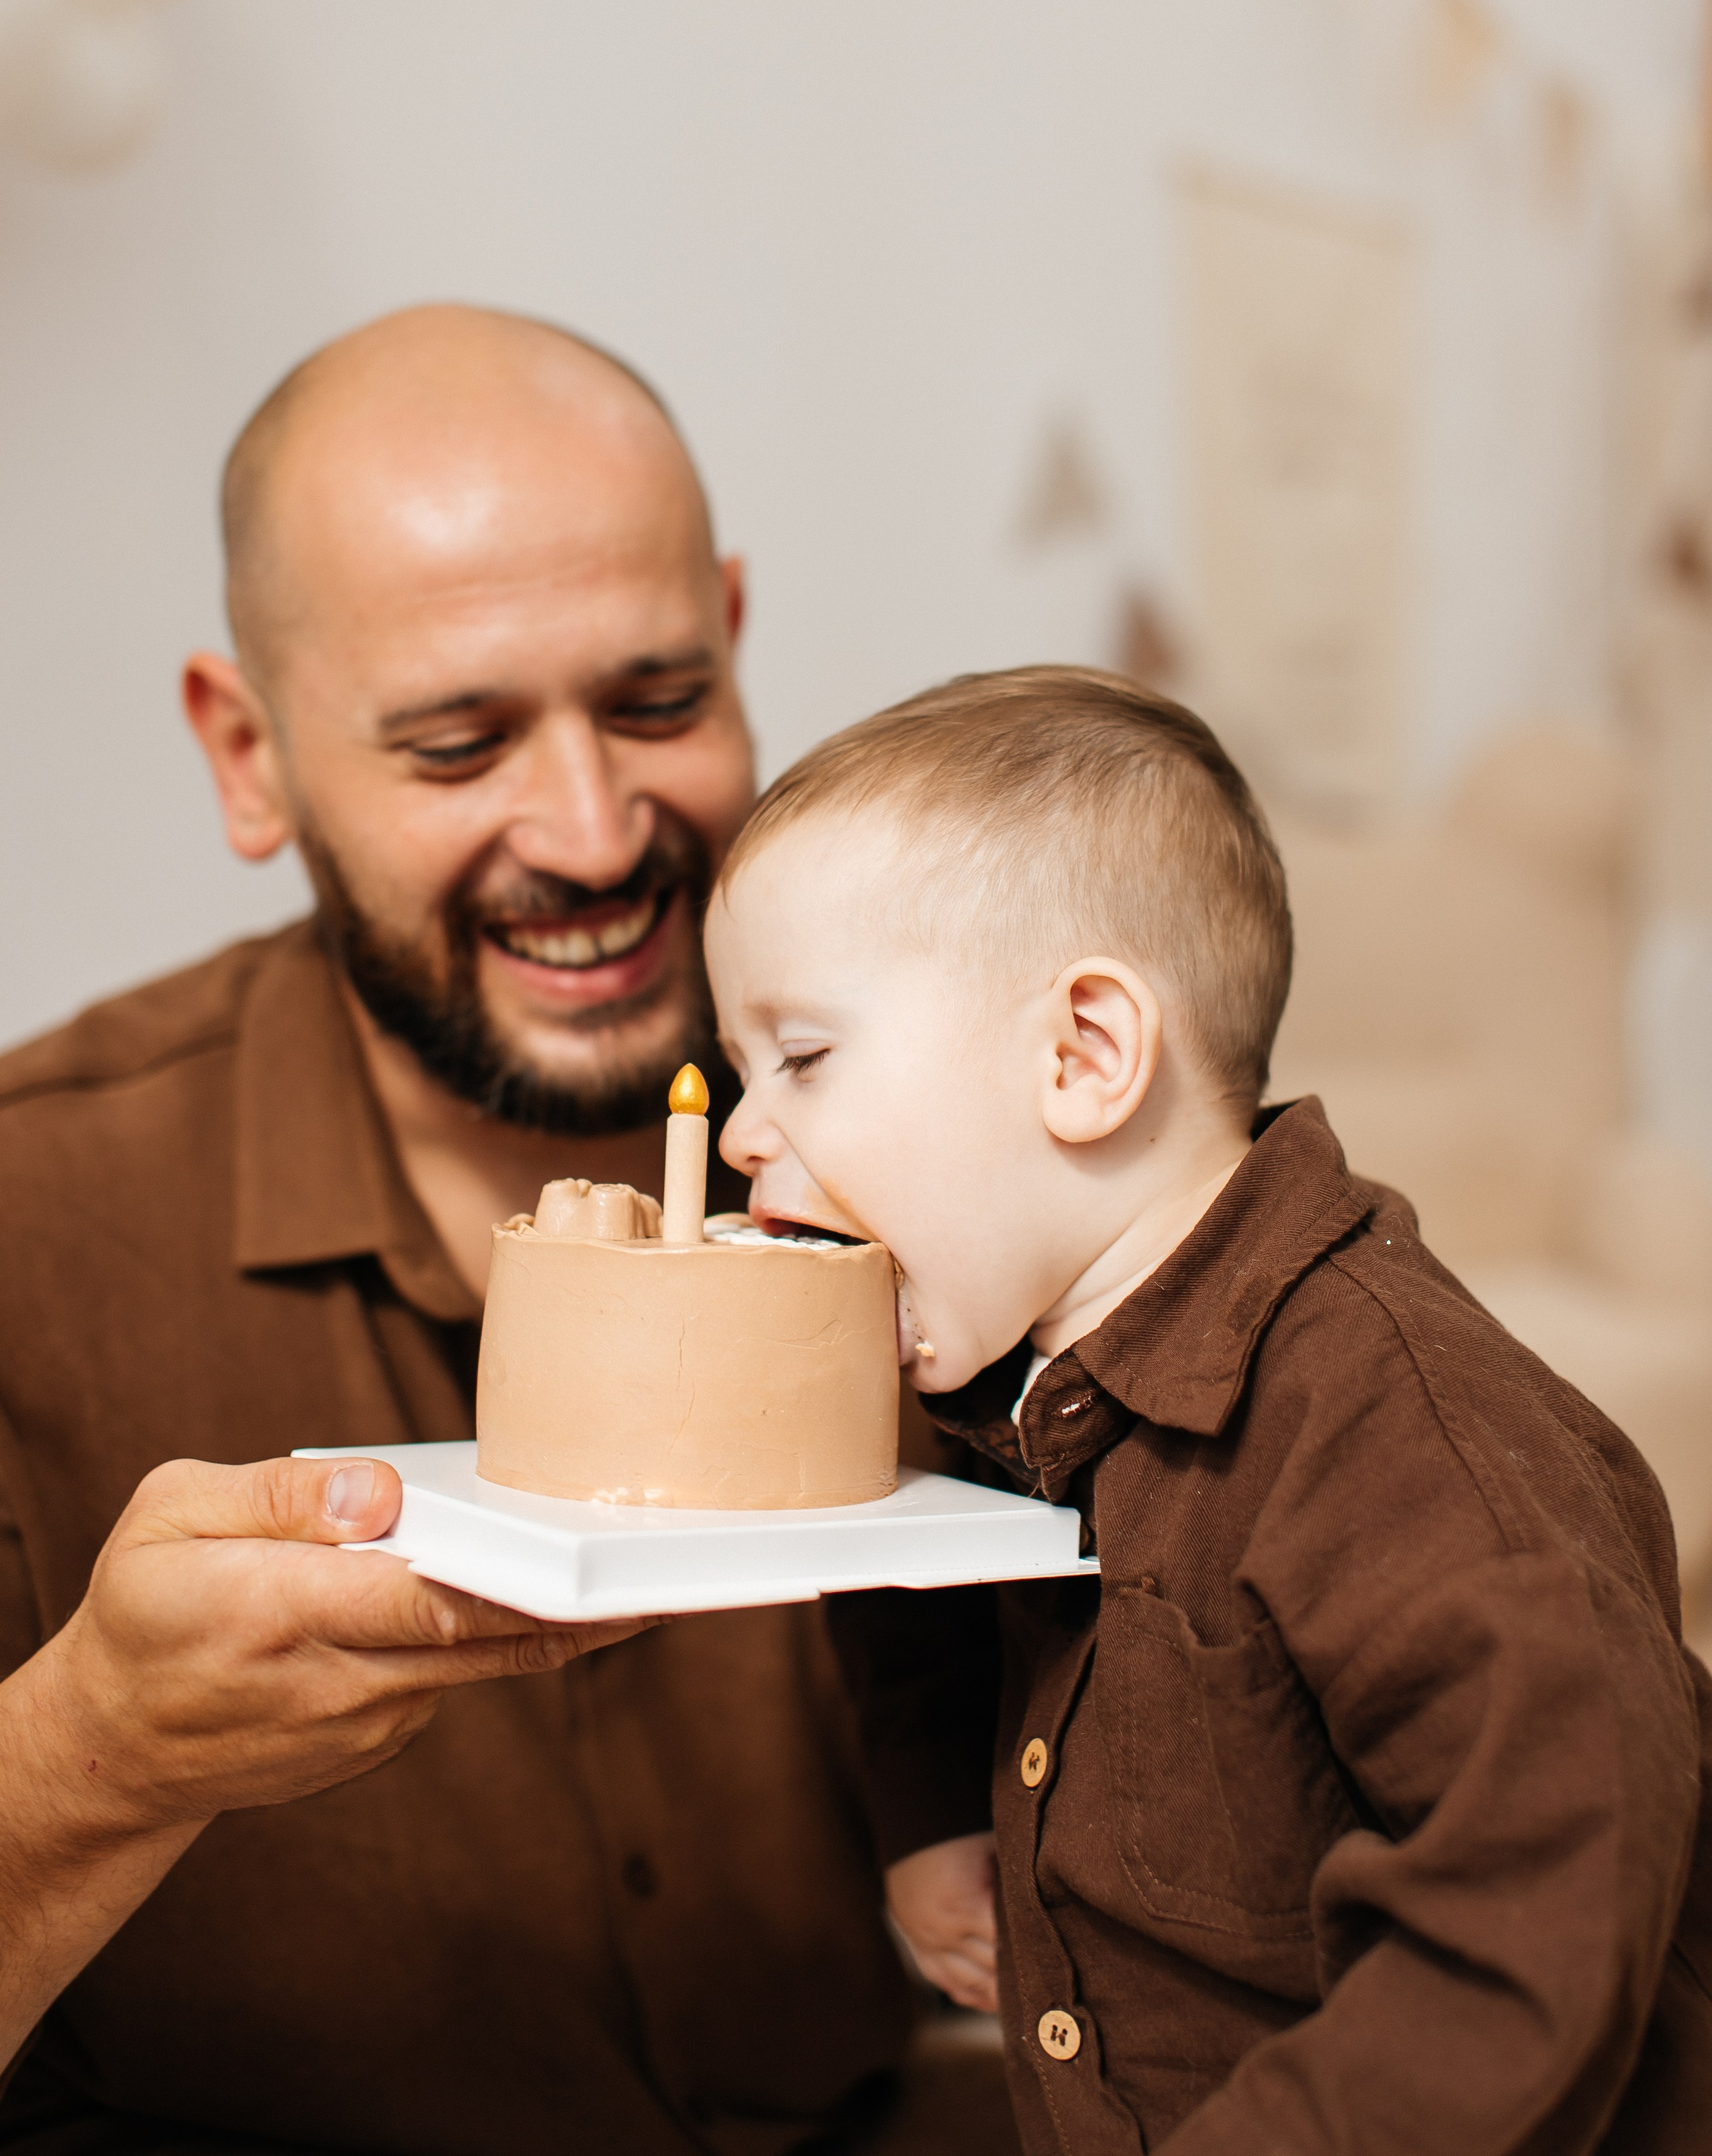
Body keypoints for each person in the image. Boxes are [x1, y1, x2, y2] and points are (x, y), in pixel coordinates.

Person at [0, 306, 1008, 2156]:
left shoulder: (969, 1155)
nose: (597, 828)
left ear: (734, 634)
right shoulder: (33, 1229)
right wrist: (92, 1754)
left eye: (657, 702)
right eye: (459, 744)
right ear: (249, 754)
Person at [704, 663, 1712, 2153]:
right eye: (738, 1073)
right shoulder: (1003, 1374)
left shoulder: (1395, 1434)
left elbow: (1530, 1917)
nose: (739, 1133)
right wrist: (931, 1815)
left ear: (1082, 1057)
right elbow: (909, 1566)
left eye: (801, 1060)